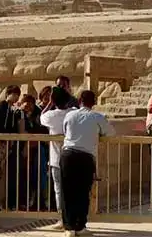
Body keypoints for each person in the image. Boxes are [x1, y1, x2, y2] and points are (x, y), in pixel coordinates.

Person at [60, 90, 112, 237]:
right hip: (85, 157)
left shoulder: (70, 115)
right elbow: (110, 132)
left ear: (79, 101)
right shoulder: (97, 117)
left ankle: (68, 227)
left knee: (67, 192)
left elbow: (65, 130)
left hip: (68, 155)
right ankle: (80, 226)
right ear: (93, 102)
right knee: (83, 192)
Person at [39, 87, 76, 229]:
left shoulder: (51, 116)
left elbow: (41, 116)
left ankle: (62, 219)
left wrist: (50, 104)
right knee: (72, 190)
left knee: (59, 190)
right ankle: (73, 219)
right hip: (72, 156)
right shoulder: (73, 113)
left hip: (56, 158)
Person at [0, 86, 24, 209]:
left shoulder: (12, 110)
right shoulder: (1, 106)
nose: (16, 97)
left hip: (6, 145)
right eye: (14, 94)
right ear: (8, 94)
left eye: (18, 95)